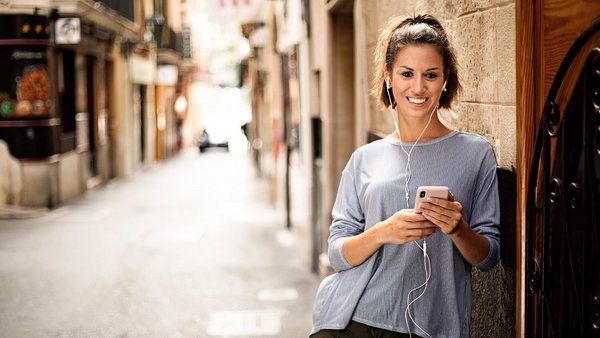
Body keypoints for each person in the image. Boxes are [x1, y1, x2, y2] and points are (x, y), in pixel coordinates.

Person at [310, 14, 500, 338]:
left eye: (430, 75)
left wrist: (457, 229)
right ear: (388, 77)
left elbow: (488, 257)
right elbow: (337, 253)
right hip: (353, 320)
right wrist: (383, 232)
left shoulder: (476, 154)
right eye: (406, 73)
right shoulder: (364, 159)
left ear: (445, 79)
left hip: (430, 327)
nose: (418, 87)